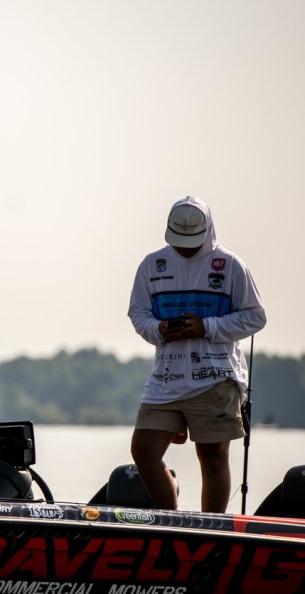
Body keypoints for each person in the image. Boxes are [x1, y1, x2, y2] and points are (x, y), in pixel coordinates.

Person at [128, 195, 266, 513]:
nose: (186, 249)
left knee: (212, 457)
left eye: (192, 243)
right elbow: (138, 313)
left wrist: (206, 326)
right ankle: (170, 520)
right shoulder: (152, 264)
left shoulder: (230, 265)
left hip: (215, 377)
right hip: (166, 378)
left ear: (208, 231)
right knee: (144, 451)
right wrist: (158, 329)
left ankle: (212, 527)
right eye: (180, 242)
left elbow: (256, 317)